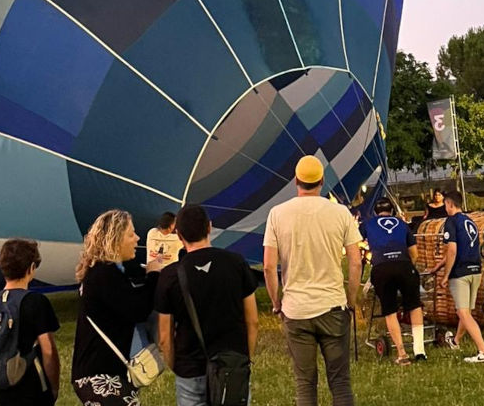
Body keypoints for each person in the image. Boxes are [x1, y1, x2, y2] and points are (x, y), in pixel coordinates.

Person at [263, 154, 361, 406]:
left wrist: (276, 303)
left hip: (296, 310)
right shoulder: (340, 213)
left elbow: (269, 266)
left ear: (295, 180)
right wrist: (351, 301)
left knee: (305, 384)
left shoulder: (277, 214)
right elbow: (355, 262)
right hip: (333, 306)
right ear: (322, 181)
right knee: (340, 383)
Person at [155, 204, 258, 406]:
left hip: (190, 369)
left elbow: (165, 337)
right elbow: (252, 321)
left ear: (179, 235)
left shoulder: (170, 275)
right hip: (232, 365)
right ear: (209, 227)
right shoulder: (236, 263)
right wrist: (245, 358)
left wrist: (178, 368)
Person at [72, 210, 162, 405]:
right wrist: (154, 276)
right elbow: (138, 309)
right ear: (115, 240)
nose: (137, 238)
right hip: (101, 374)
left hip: (103, 371)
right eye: (131, 234)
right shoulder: (105, 275)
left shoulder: (106, 272)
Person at [0, 239, 60, 405]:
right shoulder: (36, 302)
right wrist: (53, 387)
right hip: (31, 390)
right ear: (31, 268)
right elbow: (48, 351)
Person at [361, 198, 425, 364]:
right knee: (415, 306)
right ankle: (420, 350)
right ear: (392, 211)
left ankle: (402, 354)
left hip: (382, 268)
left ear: (375, 212)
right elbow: (414, 253)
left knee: (390, 311)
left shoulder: (368, 224)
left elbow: (357, 242)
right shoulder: (402, 224)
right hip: (404, 265)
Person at [431, 191, 484, 364]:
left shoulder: (451, 221)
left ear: (450, 204)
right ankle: (455, 341)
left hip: (461, 273)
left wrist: (446, 275)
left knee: (463, 313)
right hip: (475, 270)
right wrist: (439, 265)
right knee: (466, 311)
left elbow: (452, 250)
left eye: (445, 205)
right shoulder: (469, 221)